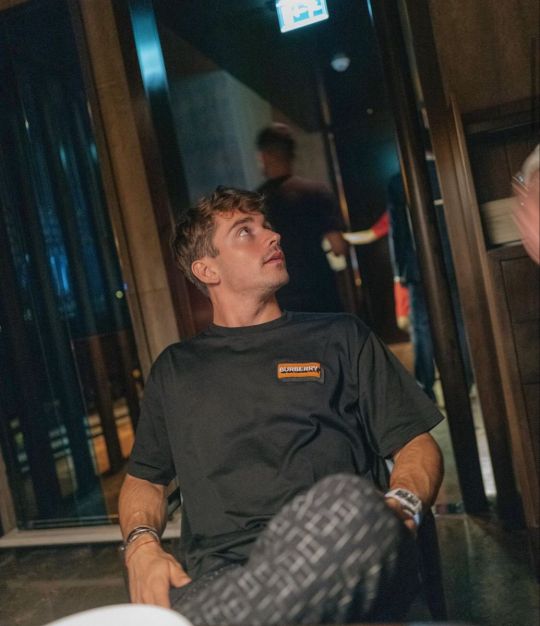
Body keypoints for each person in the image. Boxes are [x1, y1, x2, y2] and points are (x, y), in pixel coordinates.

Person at [119, 187, 444, 625]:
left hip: (339, 555)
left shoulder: (341, 337)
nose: (273, 237)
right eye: (245, 232)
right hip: (224, 572)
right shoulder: (176, 370)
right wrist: (141, 546)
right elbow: (144, 480)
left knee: (351, 506)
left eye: (266, 226)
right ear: (207, 269)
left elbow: (416, 444)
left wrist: (400, 504)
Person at [256, 123, 348, 312]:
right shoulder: (317, 191)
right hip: (321, 290)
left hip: (282, 295)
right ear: (292, 155)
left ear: (264, 156)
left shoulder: (257, 202)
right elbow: (338, 246)